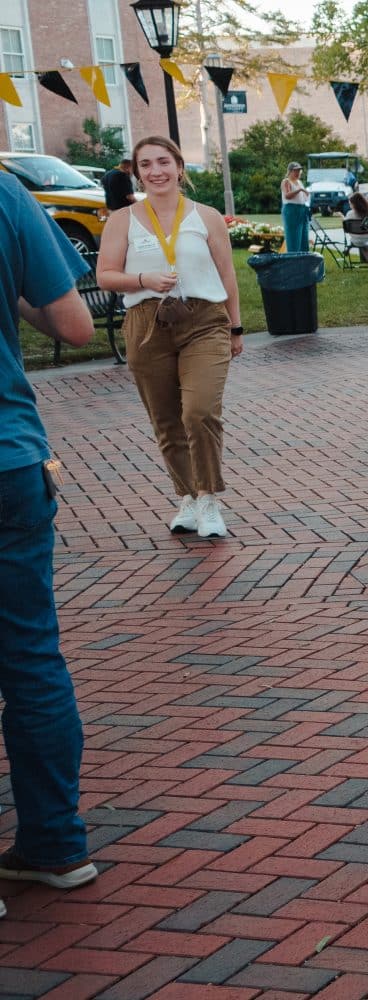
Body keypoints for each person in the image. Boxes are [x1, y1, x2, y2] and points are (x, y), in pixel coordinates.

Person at [0, 173, 100, 912]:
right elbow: (74, 325)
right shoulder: (5, 193)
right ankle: (55, 843)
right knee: (31, 655)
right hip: (8, 459)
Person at [95, 135, 244, 539]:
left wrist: (235, 326)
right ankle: (190, 497)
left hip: (204, 320)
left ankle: (210, 497)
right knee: (166, 420)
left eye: (163, 162)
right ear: (137, 173)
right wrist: (143, 279)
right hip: (146, 324)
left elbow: (227, 274)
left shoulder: (206, 216)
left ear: (180, 167)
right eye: (146, 165)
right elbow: (105, 275)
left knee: (198, 412)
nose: (155, 171)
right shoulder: (122, 220)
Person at [279, 161, 311, 254]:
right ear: (290, 171)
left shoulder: (299, 182)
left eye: (299, 171)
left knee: (303, 238)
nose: (297, 173)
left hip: (302, 210)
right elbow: (287, 195)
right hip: (291, 210)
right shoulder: (286, 181)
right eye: (295, 171)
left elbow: (303, 198)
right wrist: (300, 190)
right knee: (293, 237)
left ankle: (304, 260)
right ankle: (293, 259)